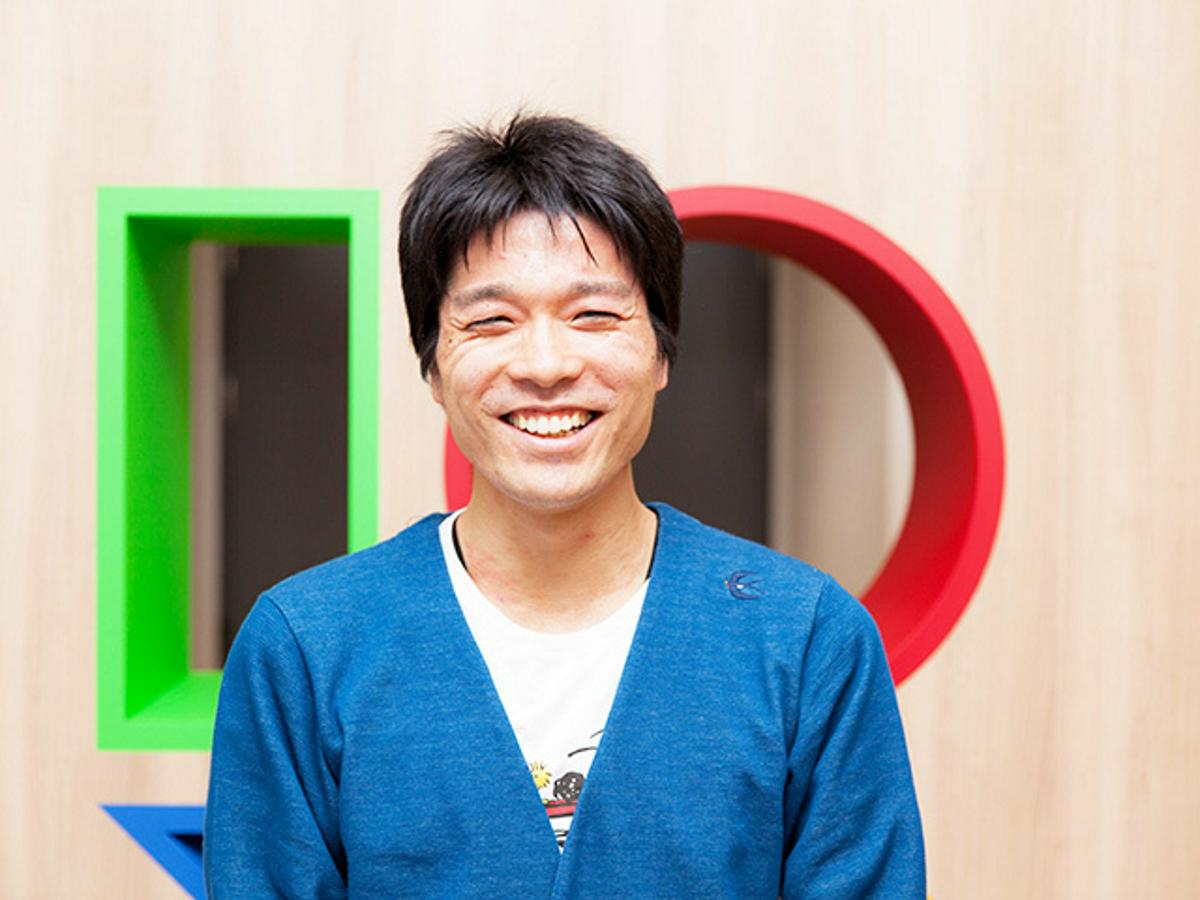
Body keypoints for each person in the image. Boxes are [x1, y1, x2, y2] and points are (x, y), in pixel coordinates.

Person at [204, 113, 925, 897]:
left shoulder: (805, 640)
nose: (546, 365)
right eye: (492, 321)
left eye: (594, 316)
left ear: (662, 352)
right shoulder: (307, 649)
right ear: (433, 366)